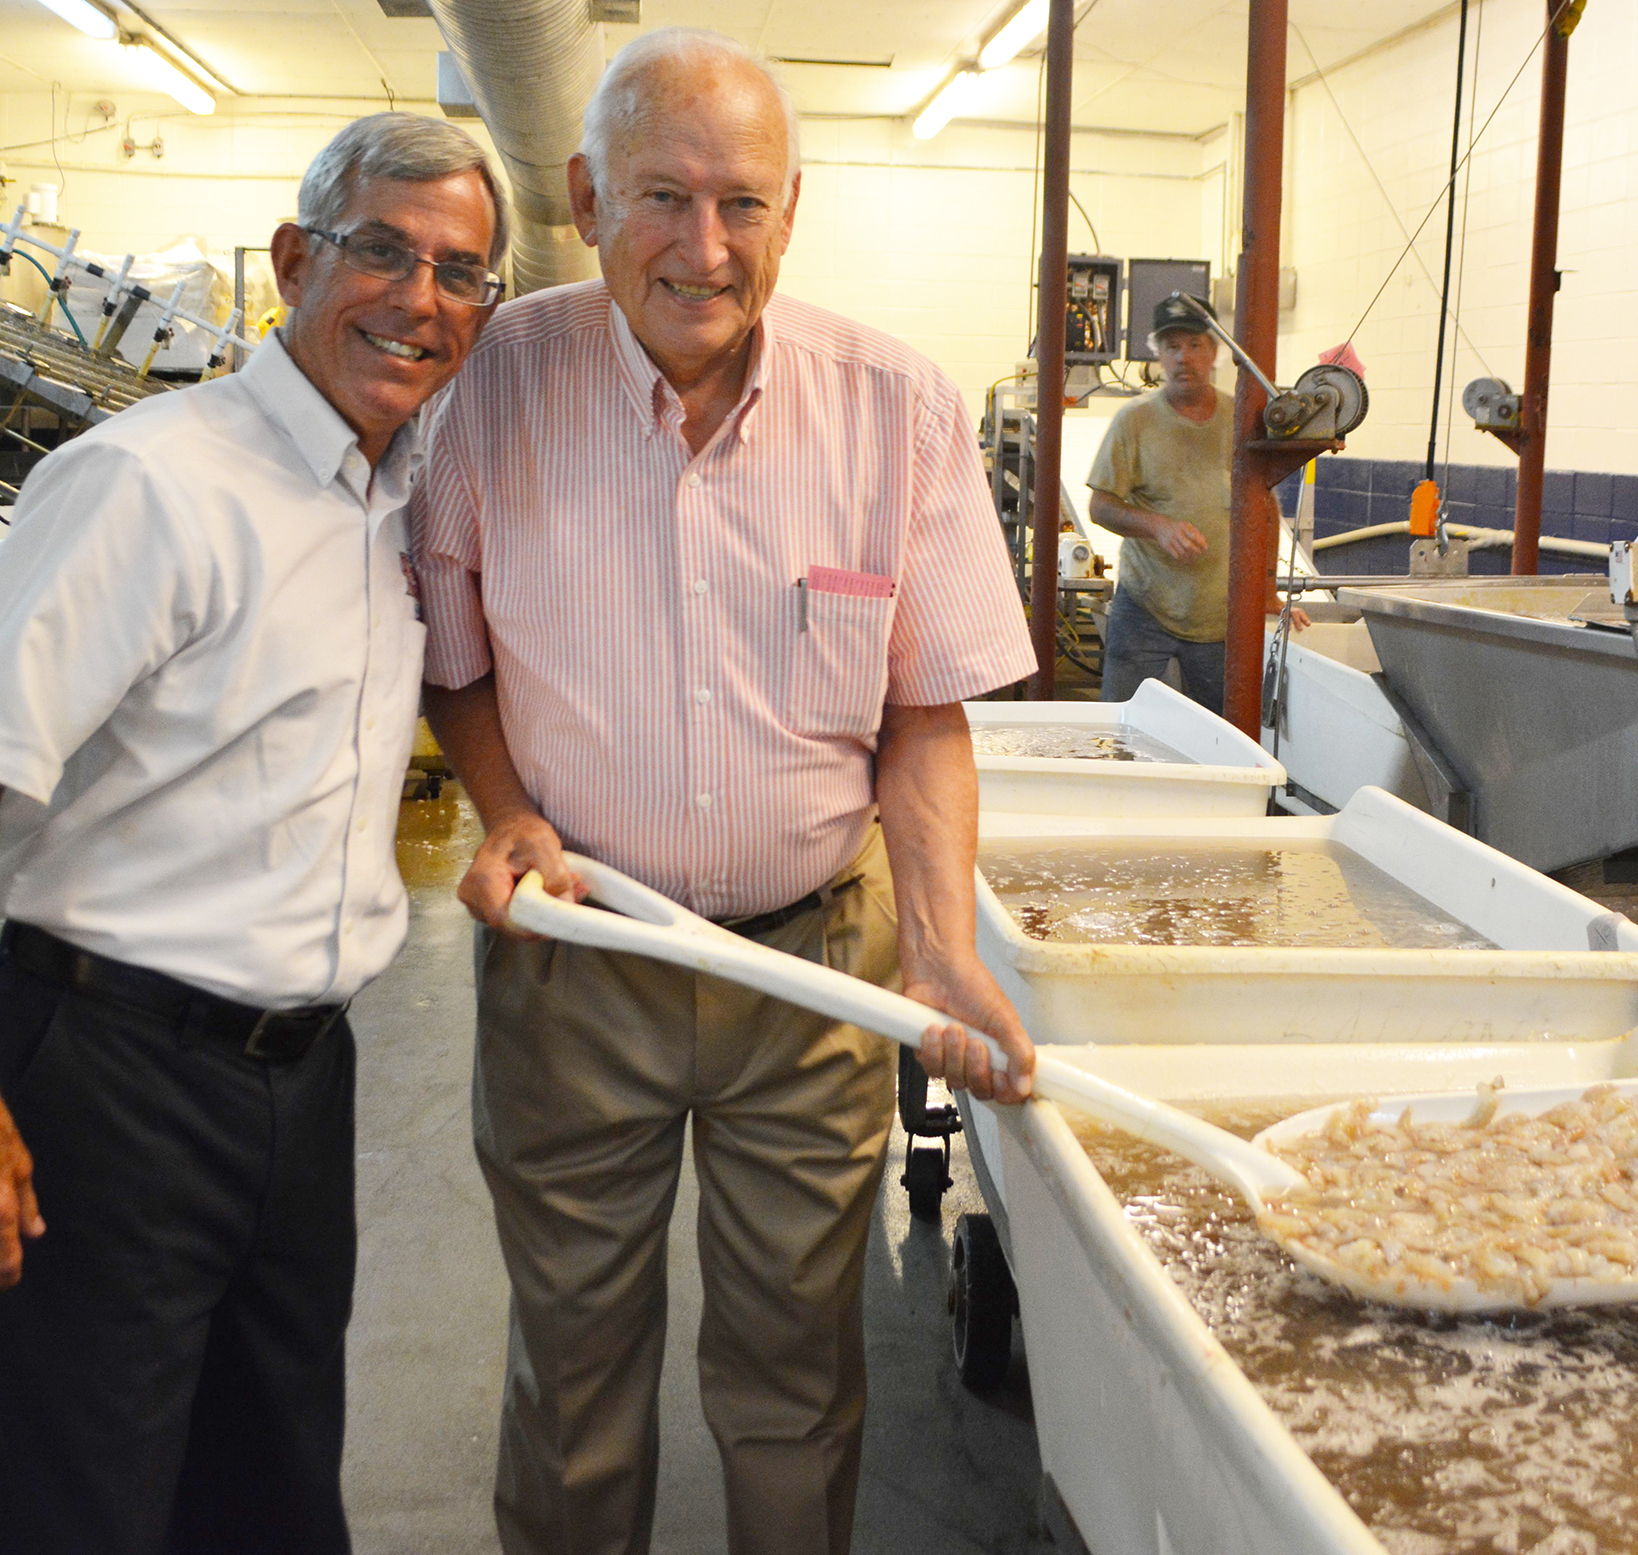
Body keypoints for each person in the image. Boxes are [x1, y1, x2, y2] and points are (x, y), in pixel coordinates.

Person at [410, 27, 1038, 1555]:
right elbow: (456, 651)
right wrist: (503, 809)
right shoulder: (489, 386)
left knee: (794, 1370)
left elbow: (922, 710)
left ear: (793, 209)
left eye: (743, 204)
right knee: (575, 1365)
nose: (704, 248)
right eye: (662, 198)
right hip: (583, 955)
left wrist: (945, 944)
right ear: (583, 191)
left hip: (811, 967)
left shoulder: (893, 406)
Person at [0, 112, 507, 1555]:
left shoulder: (389, 492)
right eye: (382, 253)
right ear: (296, 261)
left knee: (266, 1493)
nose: (420, 300)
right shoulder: (149, 482)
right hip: (106, 1082)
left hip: (299, 1084)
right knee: (66, 1503)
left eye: (460, 272)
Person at [1087, 291, 1308, 710]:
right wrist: (1158, 526)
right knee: (1120, 725)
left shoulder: (1242, 418)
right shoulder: (1134, 421)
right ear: (1158, 355)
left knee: (1220, 735)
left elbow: (1265, 508)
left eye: (1194, 345)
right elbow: (1101, 507)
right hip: (1146, 608)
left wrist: (1266, 591)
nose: (1183, 357)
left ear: (1215, 353)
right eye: (1172, 347)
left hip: (1219, 617)